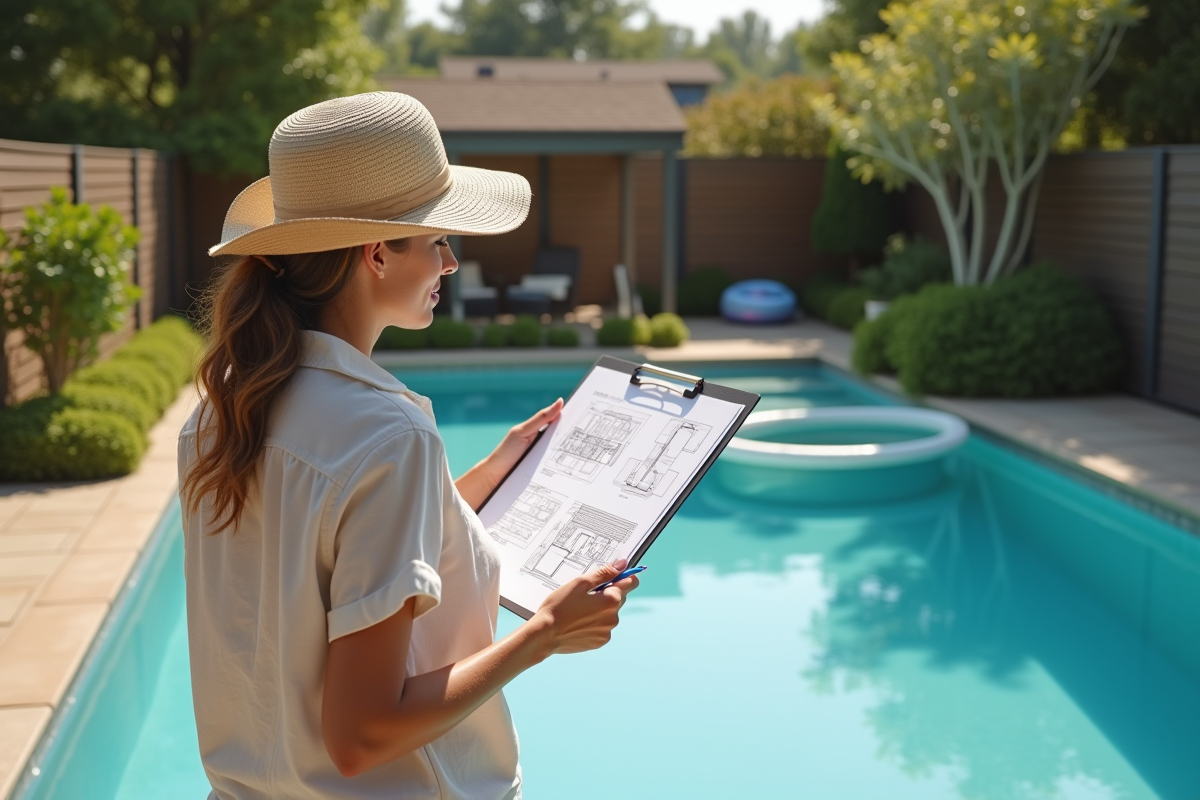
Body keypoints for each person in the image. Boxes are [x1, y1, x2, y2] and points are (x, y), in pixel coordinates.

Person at [178, 92, 640, 800]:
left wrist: (489, 471)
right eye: (436, 240)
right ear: (376, 255)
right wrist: (543, 632)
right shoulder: (389, 437)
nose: (451, 262)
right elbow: (363, 735)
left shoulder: (222, 414)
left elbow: (333, 558)